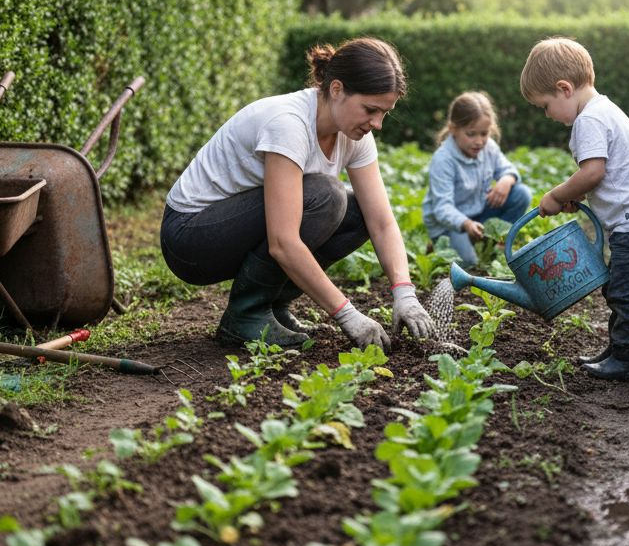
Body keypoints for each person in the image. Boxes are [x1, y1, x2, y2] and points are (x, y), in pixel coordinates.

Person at [160, 37, 432, 351]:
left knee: (357, 214)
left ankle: (273, 308)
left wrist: (404, 293)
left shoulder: (354, 134)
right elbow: (283, 242)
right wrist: (348, 315)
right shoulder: (288, 124)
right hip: (190, 238)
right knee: (326, 196)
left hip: (232, 228)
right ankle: (246, 314)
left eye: (385, 112)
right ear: (336, 89)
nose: (378, 123)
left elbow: (381, 222)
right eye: (371, 109)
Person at [519, 37, 629, 381]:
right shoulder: (604, 108)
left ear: (564, 89)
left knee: (624, 292)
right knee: (619, 287)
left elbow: (593, 172)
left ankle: (626, 361)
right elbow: (607, 176)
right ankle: (618, 349)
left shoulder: (588, 120)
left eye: (545, 106)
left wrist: (557, 195)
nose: (547, 115)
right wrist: (582, 195)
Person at [422, 91, 531, 267]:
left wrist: (507, 179)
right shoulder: (443, 159)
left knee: (521, 194)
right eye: (471, 134)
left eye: (484, 133)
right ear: (453, 129)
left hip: (477, 213)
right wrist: (465, 223)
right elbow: (442, 208)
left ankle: (491, 244)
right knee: (468, 263)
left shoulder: (489, 148)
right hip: (448, 225)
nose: (479, 141)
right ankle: (439, 246)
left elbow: (507, 169)